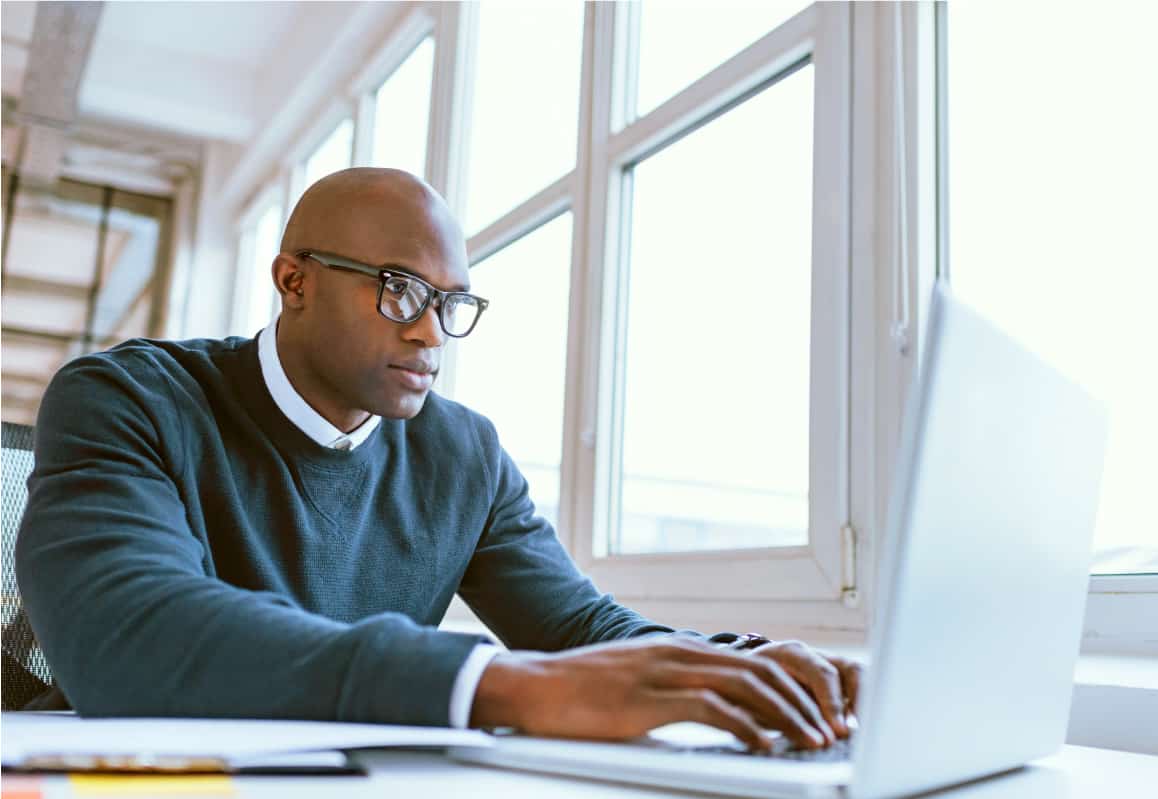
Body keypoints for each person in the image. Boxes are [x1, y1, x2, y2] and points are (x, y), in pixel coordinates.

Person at [16, 168, 859, 753]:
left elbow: (577, 631)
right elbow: (126, 636)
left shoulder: (466, 455)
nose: (427, 330)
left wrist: (737, 664)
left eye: (450, 304)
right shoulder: (129, 397)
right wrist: (499, 684)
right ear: (293, 281)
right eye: (399, 288)